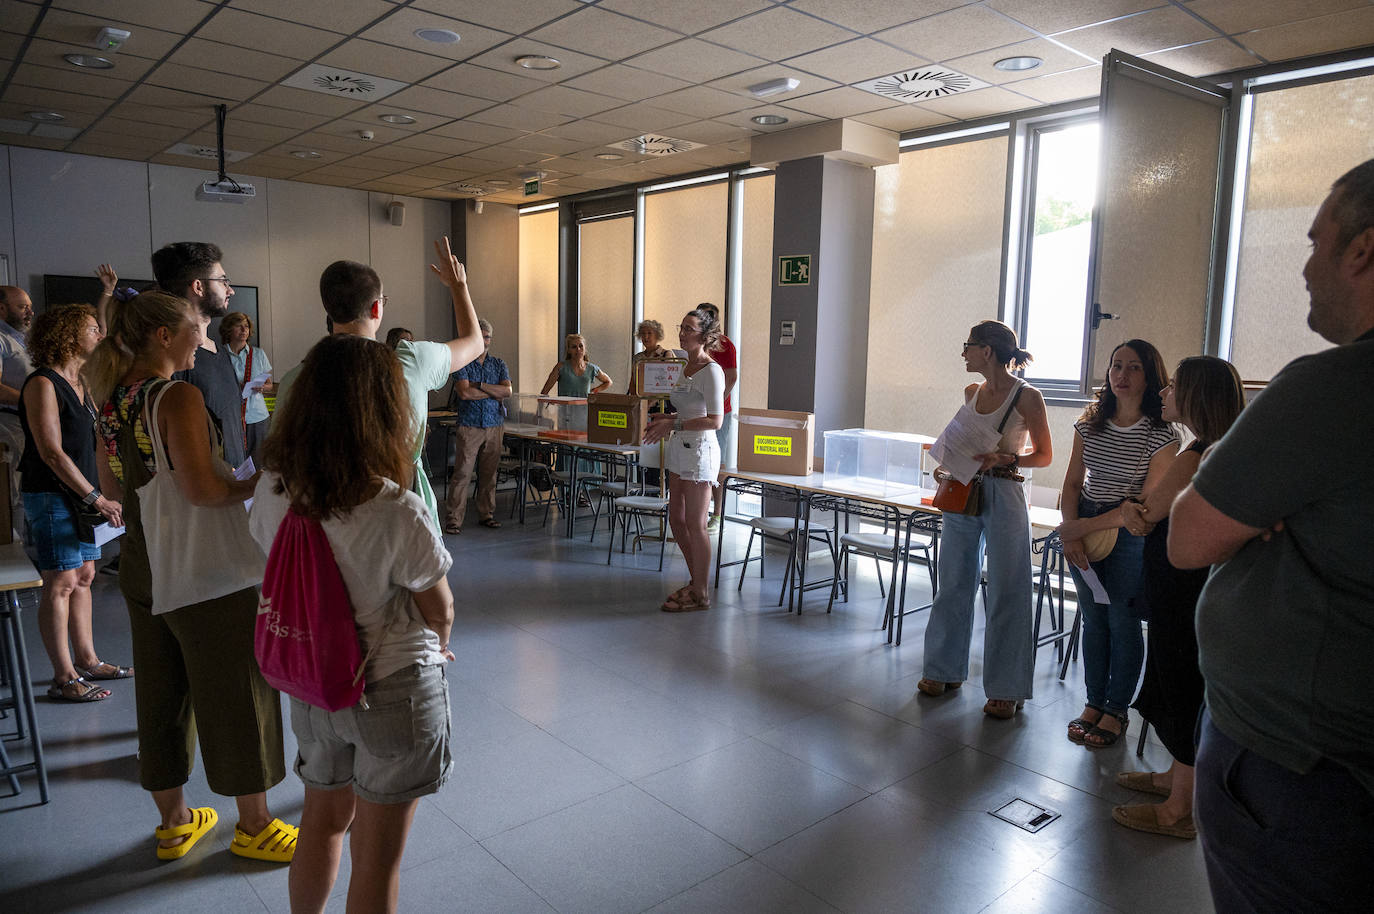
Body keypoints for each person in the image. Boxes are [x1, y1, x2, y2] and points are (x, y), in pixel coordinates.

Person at [1170, 161, 1374, 911]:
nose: (1304, 264)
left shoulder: (1333, 390)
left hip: (1300, 771)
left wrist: (1228, 471)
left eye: (1318, 239)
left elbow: (1188, 538)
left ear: (1362, 250)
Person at [249, 335, 454, 914]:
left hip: (314, 685)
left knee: (321, 822)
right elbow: (439, 607)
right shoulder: (396, 508)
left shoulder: (271, 492)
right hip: (391, 687)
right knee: (379, 856)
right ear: (387, 411)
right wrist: (439, 643)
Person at [89, 290, 294, 863]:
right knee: (237, 688)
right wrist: (258, 485)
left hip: (143, 565)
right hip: (204, 571)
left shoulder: (111, 399)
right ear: (163, 336)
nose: (202, 339)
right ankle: (254, 825)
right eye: (195, 330)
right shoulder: (174, 396)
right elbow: (203, 491)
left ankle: (175, 821)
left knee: (161, 690)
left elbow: (112, 490)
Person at [1109, 355, 1244, 840]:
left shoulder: (1203, 453)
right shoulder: (1210, 448)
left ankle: (1179, 810)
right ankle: (1176, 780)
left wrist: (1133, 511)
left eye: (1172, 388)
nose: (1162, 393)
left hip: (1186, 591)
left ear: (1194, 396)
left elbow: (1145, 514)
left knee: (1183, 684)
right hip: (1179, 587)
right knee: (1173, 680)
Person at [275, 239, 484, 534]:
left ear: (330, 312)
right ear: (376, 308)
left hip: (329, 521)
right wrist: (458, 287)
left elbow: (282, 463)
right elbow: (474, 342)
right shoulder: (412, 361)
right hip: (401, 511)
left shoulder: (297, 379)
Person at [917, 320, 1052, 719]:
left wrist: (1008, 457)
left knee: (1009, 587)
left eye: (969, 346)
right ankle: (943, 669)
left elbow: (1044, 456)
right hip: (964, 488)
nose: (964, 353)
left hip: (1005, 490)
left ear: (987, 352)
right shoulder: (971, 392)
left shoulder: (1028, 397)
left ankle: (1007, 687)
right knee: (954, 580)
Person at [1056, 339, 1178, 748]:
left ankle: (1116, 709)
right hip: (1087, 519)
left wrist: (1079, 530)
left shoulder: (1163, 433)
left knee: (1122, 620)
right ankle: (1093, 702)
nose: (1121, 376)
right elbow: (1072, 483)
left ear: (1150, 376)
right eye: (1115, 366)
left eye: (1133, 368)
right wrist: (1071, 524)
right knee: (1093, 616)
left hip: (1128, 536)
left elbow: (1140, 510)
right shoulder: (1090, 421)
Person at [17, 304, 126, 702]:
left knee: (85, 577)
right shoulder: (42, 383)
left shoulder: (82, 382)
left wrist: (109, 491)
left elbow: (94, 444)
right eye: (93, 329)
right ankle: (63, 678)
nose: (100, 335)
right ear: (67, 334)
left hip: (82, 495)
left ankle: (88, 660)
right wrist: (95, 497)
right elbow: (51, 452)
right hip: (51, 495)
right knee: (61, 583)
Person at [642, 308, 724, 612]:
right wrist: (666, 417)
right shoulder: (684, 366)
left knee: (695, 523)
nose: (683, 333)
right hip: (680, 447)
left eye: (689, 329)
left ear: (704, 335)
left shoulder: (711, 370)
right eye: (682, 327)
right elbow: (689, 410)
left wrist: (672, 424)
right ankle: (695, 580)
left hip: (700, 450)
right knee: (676, 519)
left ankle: (702, 592)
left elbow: (715, 420)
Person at [151, 242, 248, 470]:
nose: (230, 290)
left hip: (231, 489)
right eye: (223, 281)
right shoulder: (175, 359)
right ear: (198, 286)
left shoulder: (218, 350)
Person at [442, 318, 511, 534]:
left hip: (494, 425)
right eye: (480, 336)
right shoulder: (461, 363)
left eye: (487, 336)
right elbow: (464, 393)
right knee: (462, 473)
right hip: (469, 426)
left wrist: (479, 386)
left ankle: (486, 514)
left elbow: (507, 392)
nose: (484, 340)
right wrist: (493, 391)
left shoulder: (498, 364)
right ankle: (454, 519)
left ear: (491, 339)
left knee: (489, 474)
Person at [697, 303, 737, 531]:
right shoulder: (697, 345)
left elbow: (731, 377)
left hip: (720, 412)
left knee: (717, 462)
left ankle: (718, 513)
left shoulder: (725, 345)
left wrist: (716, 403)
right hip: (697, 411)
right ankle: (699, 510)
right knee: (699, 459)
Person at [219, 311, 273, 465]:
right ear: (229, 329)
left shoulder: (258, 354)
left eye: (246, 326)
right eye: (239, 326)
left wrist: (262, 387)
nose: (244, 330)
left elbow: (269, 384)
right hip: (232, 417)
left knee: (259, 463)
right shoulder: (220, 355)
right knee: (235, 463)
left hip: (258, 417)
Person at [0, 284, 35, 510]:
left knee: (26, 495)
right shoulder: (1, 339)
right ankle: (12, 544)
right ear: (2, 309)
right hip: (9, 424)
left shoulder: (24, 340)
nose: (30, 312)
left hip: (28, 423)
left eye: (30, 307)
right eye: (22, 307)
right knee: (11, 495)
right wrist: (34, 402)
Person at [540, 333, 611, 397]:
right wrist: (541, 409)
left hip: (585, 409)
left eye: (581, 346)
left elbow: (608, 382)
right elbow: (544, 391)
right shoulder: (561, 367)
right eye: (574, 347)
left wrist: (595, 391)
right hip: (565, 410)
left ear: (585, 348)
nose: (578, 349)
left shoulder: (592, 368)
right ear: (569, 350)